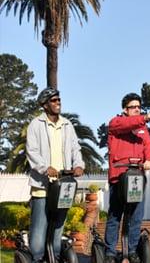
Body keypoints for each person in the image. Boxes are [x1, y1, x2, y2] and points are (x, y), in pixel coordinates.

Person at [26, 87, 85, 262]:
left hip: (63, 185)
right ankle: (37, 258)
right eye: (53, 100)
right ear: (44, 105)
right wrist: (45, 168)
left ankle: (55, 257)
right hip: (42, 186)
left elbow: (76, 148)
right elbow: (32, 151)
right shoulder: (36, 124)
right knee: (38, 232)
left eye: (59, 99)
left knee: (58, 228)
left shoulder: (67, 125)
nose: (58, 103)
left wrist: (79, 165)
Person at [105, 92, 150, 263]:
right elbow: (128, 124)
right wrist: (145, 117)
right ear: (124, 109)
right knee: (115, 216)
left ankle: (132, 250)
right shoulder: (116, 123)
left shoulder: (143, 130)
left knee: (136, 216)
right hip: (119, 177)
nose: (136, 109)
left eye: (138, 107)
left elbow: (149, 146)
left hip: (136, 178)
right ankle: (110, 252)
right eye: (133, 107)